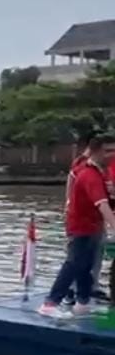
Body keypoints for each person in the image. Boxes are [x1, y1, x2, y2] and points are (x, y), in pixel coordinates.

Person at [39, 135, 115, 318]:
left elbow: (110, 201)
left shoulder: (101, 172)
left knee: (86, 265)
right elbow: (102, 205)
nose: (112, 155)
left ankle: (83, 302)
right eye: (108, 151)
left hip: (94, 226)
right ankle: (50, 303)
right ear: (95, 151)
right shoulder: (89, 175)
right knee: (73, 263)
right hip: (80, 227)